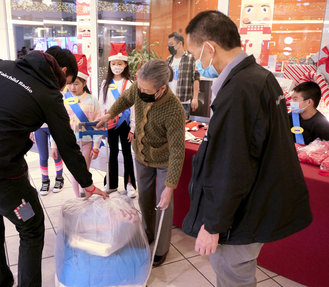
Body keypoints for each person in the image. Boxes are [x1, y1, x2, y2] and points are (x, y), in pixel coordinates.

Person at [0, 46, 108, 287]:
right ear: (62, 71)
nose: (64, 88)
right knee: (30, 227)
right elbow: (68, 146)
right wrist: (88, 184)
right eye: (67, 81)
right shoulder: (49, 94)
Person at [182, 10, 313, 287]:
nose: (197, 64)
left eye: (196, 56)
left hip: (242, 214)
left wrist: (214, 224)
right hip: (255, 202)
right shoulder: (259, 77)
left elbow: (232, 166)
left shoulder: (240, 90)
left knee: (233, 276)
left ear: (209, 48)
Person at [96, 59, 186, 267]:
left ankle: (162, 248)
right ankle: (148, 232)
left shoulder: (174, 110)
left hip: (164, 159)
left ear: (162, 88)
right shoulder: (139, 86)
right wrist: (110, 114)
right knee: (145, 197)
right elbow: (125, 99)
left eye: (146, 90)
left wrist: (170, 187)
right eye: (139, 86)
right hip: (141, 154)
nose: (140, 91)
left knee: (163, 203)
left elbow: (177, 152)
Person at [51, 53, 101, 198]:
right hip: (69, 144)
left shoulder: (92, 101)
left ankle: (86, 197)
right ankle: (79, 199)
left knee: (83, 171)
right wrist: (54, 145)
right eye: (70, 83)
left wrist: (96, 146)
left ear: (85, 83)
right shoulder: (63, 100)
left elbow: (98, 124)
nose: (72, 87)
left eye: (77, 83)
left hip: (86, 143)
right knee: (74, 172)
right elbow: (57, 125)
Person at [99, 42, 137, 197]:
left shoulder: (131, 84)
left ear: (125, 65)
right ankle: (111, 183)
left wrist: (133, 128)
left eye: (119, 63)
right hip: (110, 123)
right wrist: (102, 125)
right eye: (113, 63)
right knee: (112, 152)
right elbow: (102, 106)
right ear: (109, 65)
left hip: (126, 123)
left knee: (127, 153)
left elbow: (134, 107)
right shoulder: (105, 84)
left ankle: (130, 184)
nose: (116, 66)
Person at [166, 32, 200, 119]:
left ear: (179, 44)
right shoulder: (169, 59)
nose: (169, 47)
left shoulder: (190, 58)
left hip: (184, 102)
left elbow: (195, 79)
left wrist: (195, 98)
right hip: (168, 101)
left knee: (182, 128)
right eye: (168, 45)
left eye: (171, 44)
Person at [33, 124, 64, 196]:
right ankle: (45, 181)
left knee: (56, 155)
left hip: (53, 125)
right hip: (38, 127)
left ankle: (59, 179)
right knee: (43, 156)